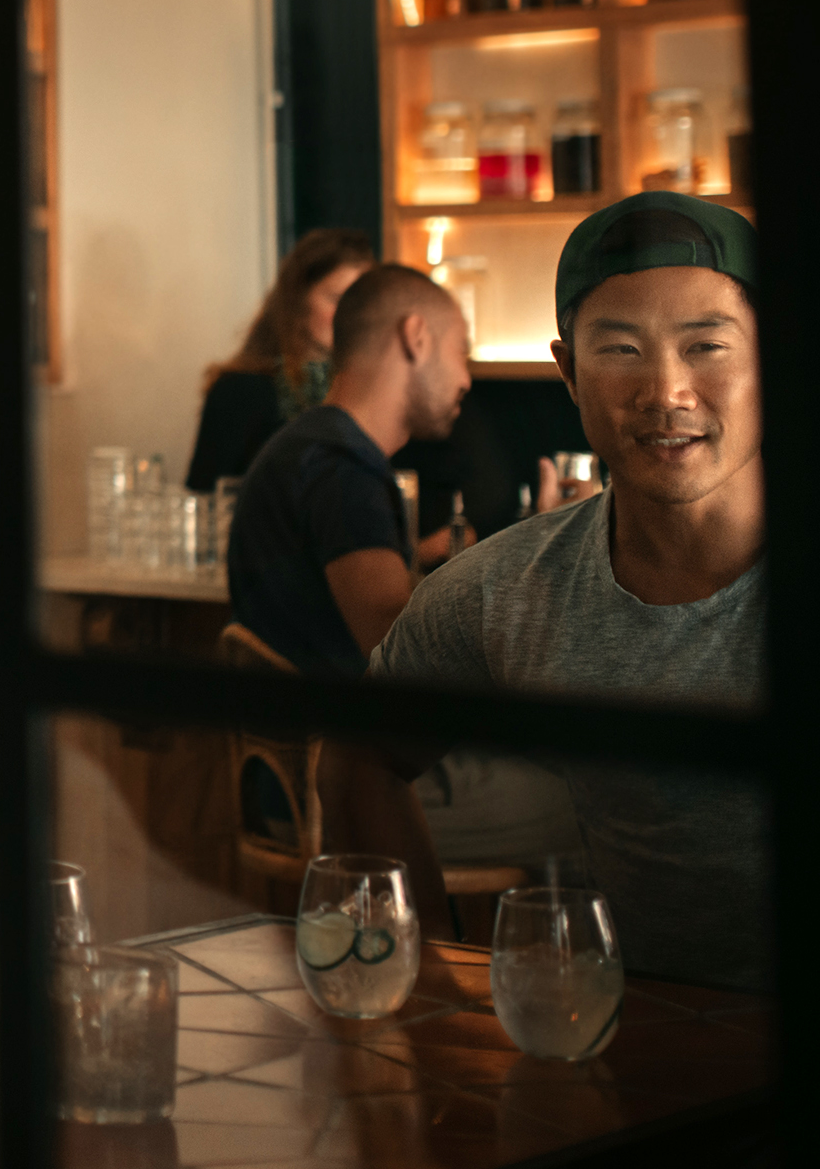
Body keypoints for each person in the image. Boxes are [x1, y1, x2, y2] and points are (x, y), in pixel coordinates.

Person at [353, 192, 768, 991]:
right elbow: (360, 753)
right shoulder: (504, 590)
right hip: (645, 1053)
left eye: (706, 346)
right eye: (620, 350)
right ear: (568, 373)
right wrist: (430, 974)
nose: (665, 391)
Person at [226, 263, 473, 679]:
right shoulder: (341, 466)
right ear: (416, 338)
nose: (467, 378)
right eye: (461, 351)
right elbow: (404, 662)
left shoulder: (314, 446)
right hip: (331, 742)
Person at [184, 228, 374, 492]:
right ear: (298, 300)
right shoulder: (241, 390)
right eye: (337, 299)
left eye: (360, 301)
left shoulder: (370, 389)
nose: (350, 314)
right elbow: (205, 499)